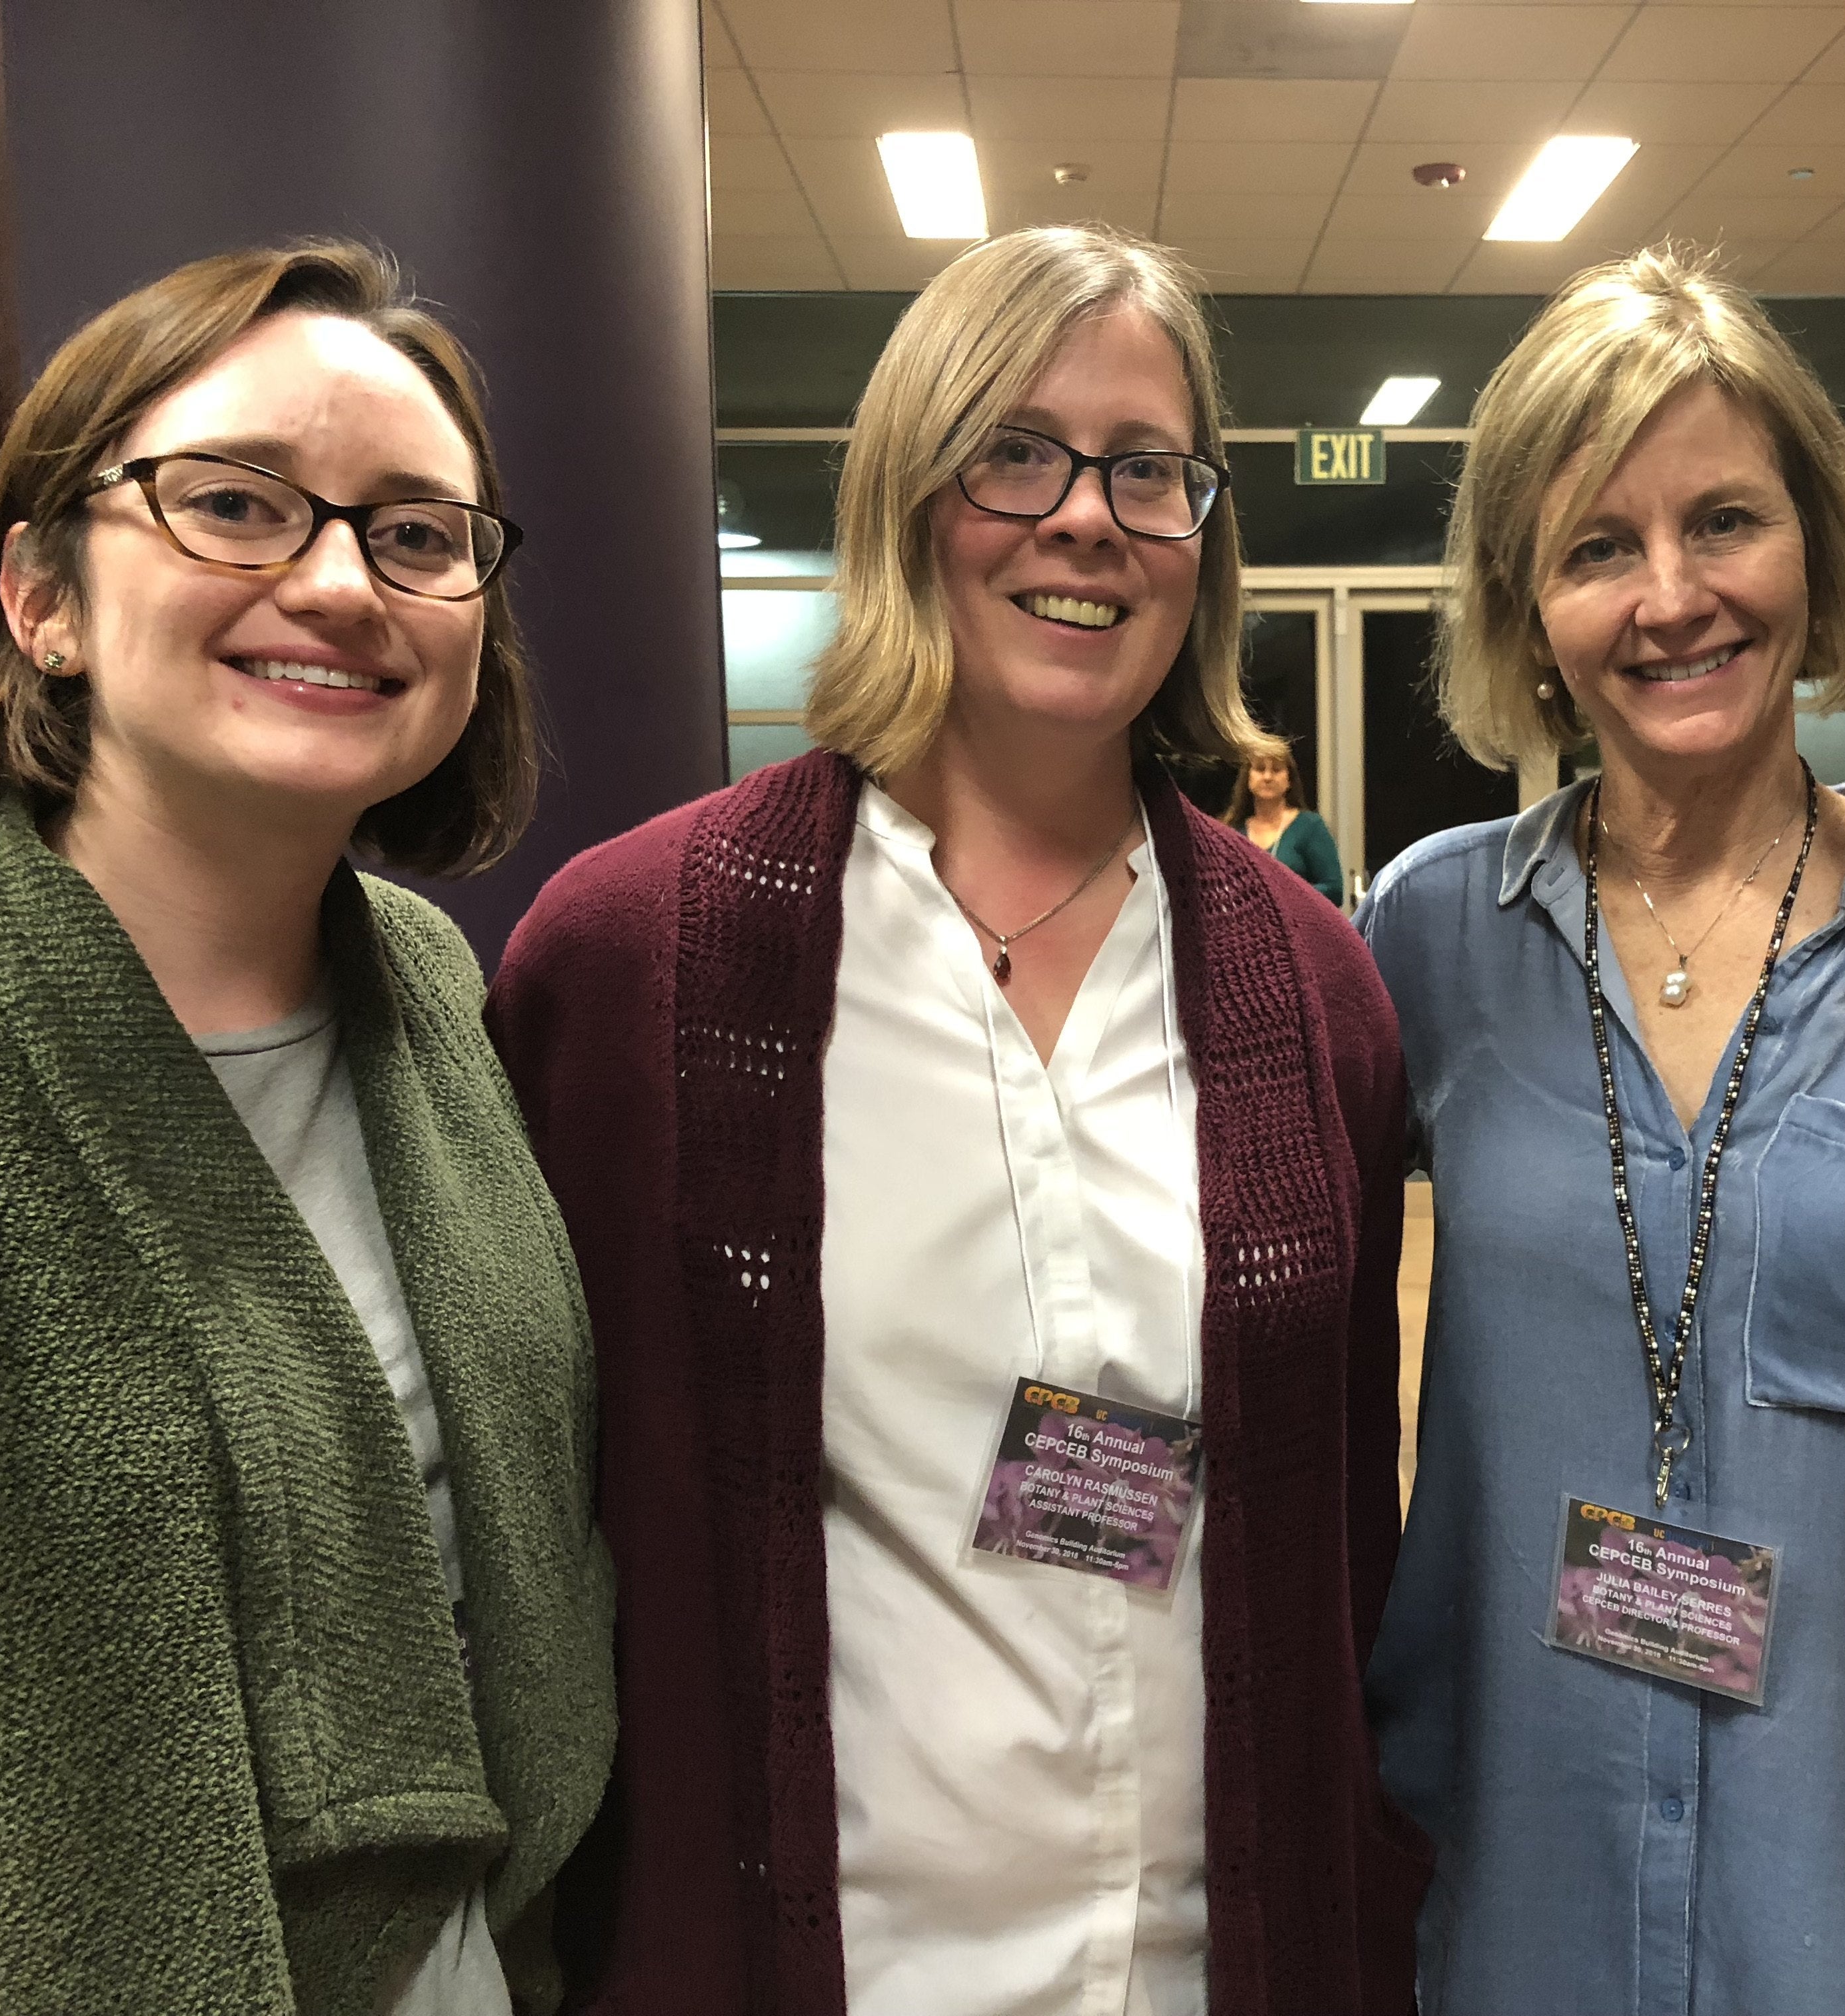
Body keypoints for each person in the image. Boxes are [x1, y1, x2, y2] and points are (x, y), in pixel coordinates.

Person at [487, 224, 1425, 2015]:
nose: (1087, 518)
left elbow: (1341, 1562)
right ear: (908, 499)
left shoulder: (1316, 992)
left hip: (1207, 1965)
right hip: (818, 1964)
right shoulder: (633, 965)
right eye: (1016, 452)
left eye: (1148, 469)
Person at [1356, 241, 1845, 2015]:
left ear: (1818, 549)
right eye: (1598, 547)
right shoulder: (1429, 937)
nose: (1672, 596)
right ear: (1530, 610)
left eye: (1725, 522)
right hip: (1509, 1879)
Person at [0, 242, 612, 2014]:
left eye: (417, 534)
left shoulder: (436, 994)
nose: (338, 582)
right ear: (41, 596)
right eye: (235, 503)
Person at [1221, 737, 1342, 903]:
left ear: (1289, 781)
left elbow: (1334, 890)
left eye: (1276, 770)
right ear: (1248, 778)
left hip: (1297, 919)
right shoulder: (1231, 830)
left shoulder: (1310, 827)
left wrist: (1285, 895)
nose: (1267, 777)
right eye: (1260, 769)